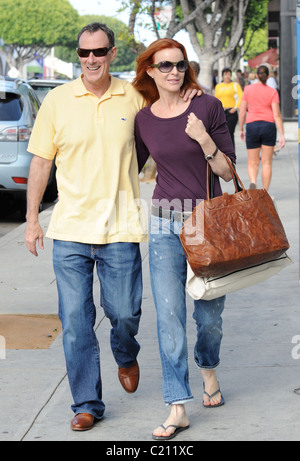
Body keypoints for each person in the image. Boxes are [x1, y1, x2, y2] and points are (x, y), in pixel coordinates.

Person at [25, 22, 200, 433]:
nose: (91, 60)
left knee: (124, 313)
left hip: (121, 226)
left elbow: (172, 105)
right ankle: (87, 403)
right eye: (83, 53)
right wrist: (33, 219)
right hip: (69, 229)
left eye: (99, 52)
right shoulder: (57, 100)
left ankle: (125, 352)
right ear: (78, 56)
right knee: (75, 322)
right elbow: (40, 161)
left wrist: (191, 92)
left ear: (112, 53)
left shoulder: (136, 96)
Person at [132, 38, 236, 441]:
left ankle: (208, 368)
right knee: (169, 316)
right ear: (150, 71)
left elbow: (228, 173)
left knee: (208, 316)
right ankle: (177, 406)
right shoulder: (144, 119)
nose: (173, 71)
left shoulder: (206, 107)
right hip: (162, 223)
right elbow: (134, 165)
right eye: (165, 66)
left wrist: (204, 140)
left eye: (179, 65)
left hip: (206, 222)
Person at [238, 64, 285, 191]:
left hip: (252, 126)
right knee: (267, 162)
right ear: (268, 76)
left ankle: (253, 182)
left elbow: (242, 111)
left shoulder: (248, 89)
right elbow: (277, 115)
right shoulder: (272, 92)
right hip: (268, 126)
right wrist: (282, 134)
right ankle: (264, 191)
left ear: (257, 76)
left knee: (253, 162)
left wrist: (241, 129)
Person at [214, 67, 243, 148]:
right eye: (226, 74)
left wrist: (235, 108)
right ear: (222, 75)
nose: (227, 76)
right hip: (221, 112)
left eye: (229, 74)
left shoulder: (235, 85)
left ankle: (231, 155)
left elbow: (241, 97)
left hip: (231, 112)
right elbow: (216, 99)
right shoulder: (218, 86)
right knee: (220, 133)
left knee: (229, 132)